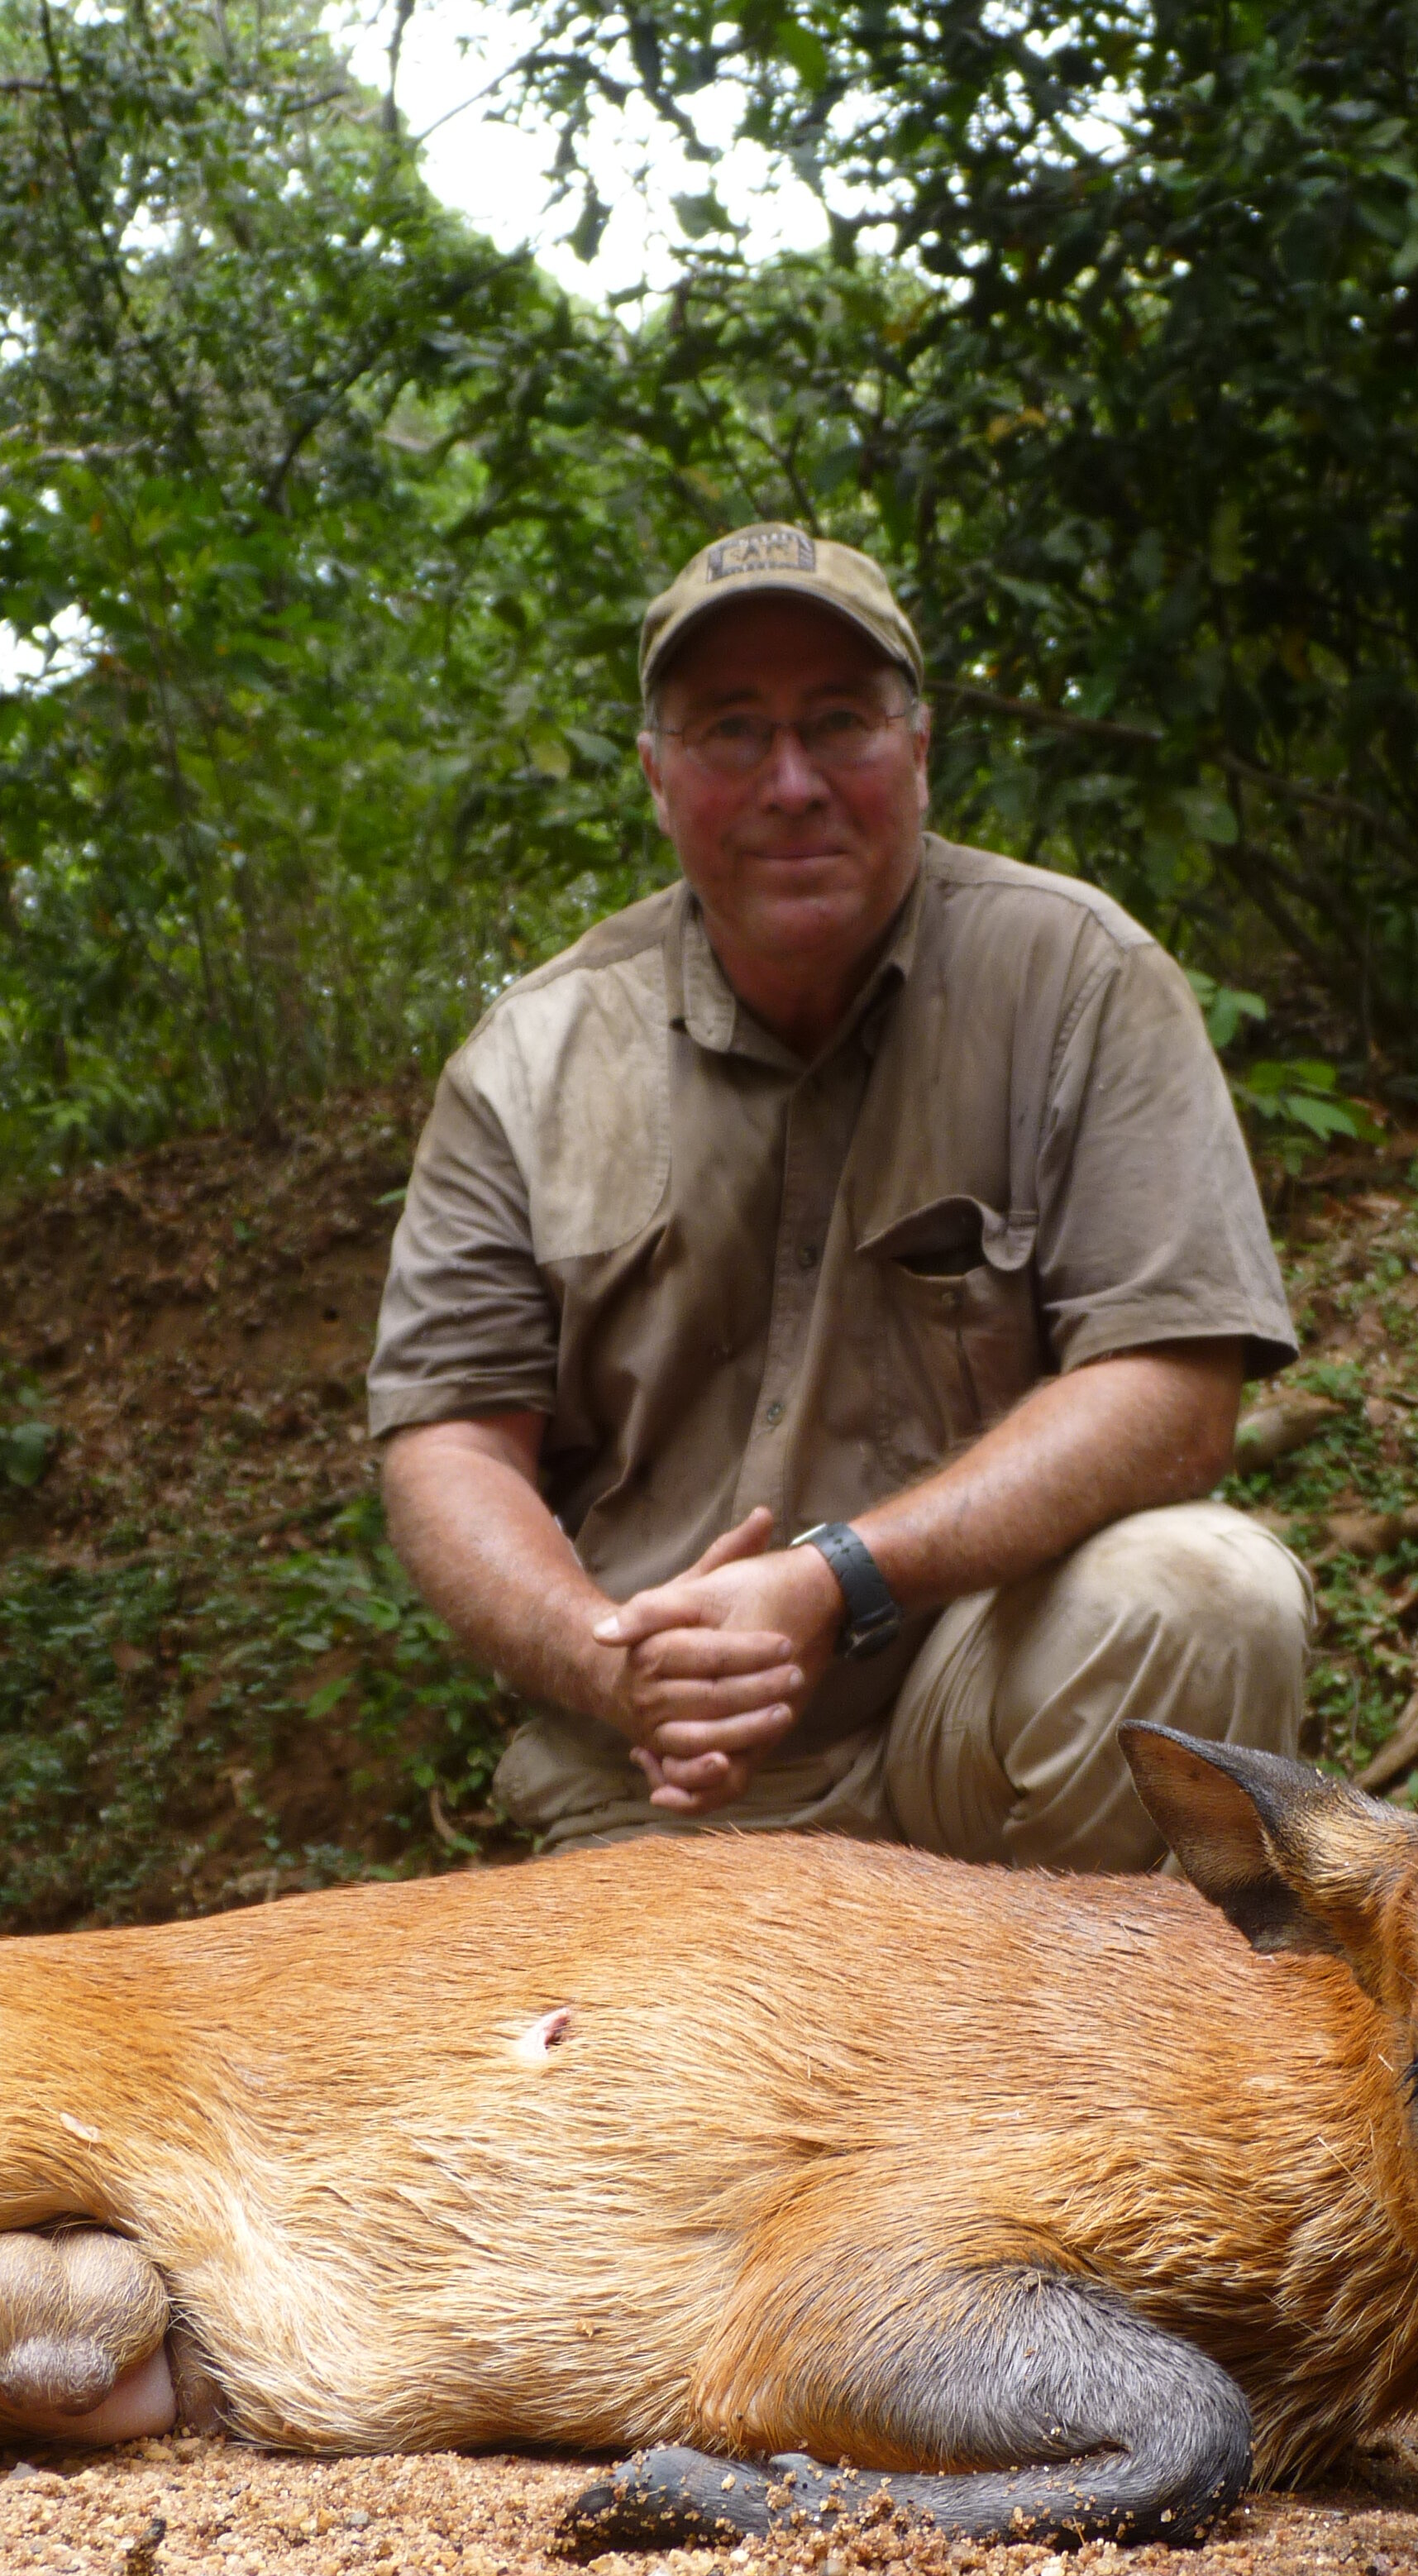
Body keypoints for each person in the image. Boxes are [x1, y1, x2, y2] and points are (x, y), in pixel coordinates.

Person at [368, 523, 1312, 1865]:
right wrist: (604, 1659)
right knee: (651, 2074)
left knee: (1207, 1594)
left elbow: (1174, 1384)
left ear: (919, 750)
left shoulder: (1078, 980)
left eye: (839, 723)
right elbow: (450, 1446)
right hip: (666, 1767)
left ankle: (1083, 2043)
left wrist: (838, 1578)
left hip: (964, 1718)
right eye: (732, 731)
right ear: (655, 777)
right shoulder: (529, 1057)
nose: (793, 782)